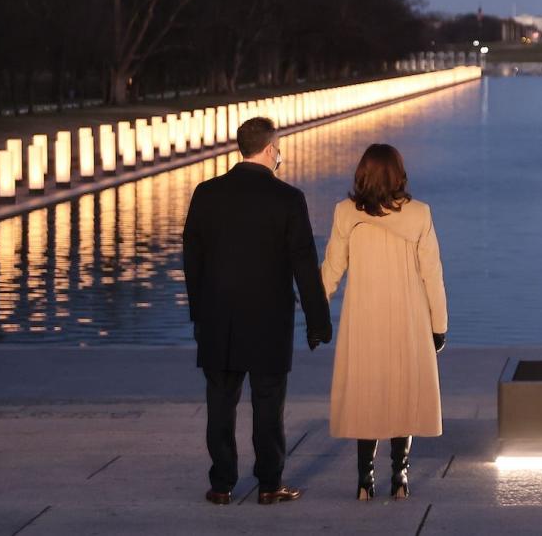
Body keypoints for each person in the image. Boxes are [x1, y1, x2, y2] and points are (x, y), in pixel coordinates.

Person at [182, 116, 332, 506]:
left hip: (218, 319)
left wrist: (198, 312)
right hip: (268, 320)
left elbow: (192, 260)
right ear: (269, 149)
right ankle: (269, 484)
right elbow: (303, 264)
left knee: (220, 403)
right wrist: (318, 323)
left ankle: (221, 484)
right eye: (277, 148)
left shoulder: (206, 193)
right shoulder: (288, 199)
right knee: (268, 406)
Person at [321, 143, 448, 501]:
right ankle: (401, 476)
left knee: (367, 397)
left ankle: (365, 480)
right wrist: (439, 326)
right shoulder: (420, 214)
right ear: (398, 174)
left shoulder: (346, 213)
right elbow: (432, 276)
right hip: (408, 318)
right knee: (402, 395)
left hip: (363, 318)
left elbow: (332, 268)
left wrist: (316, 310)